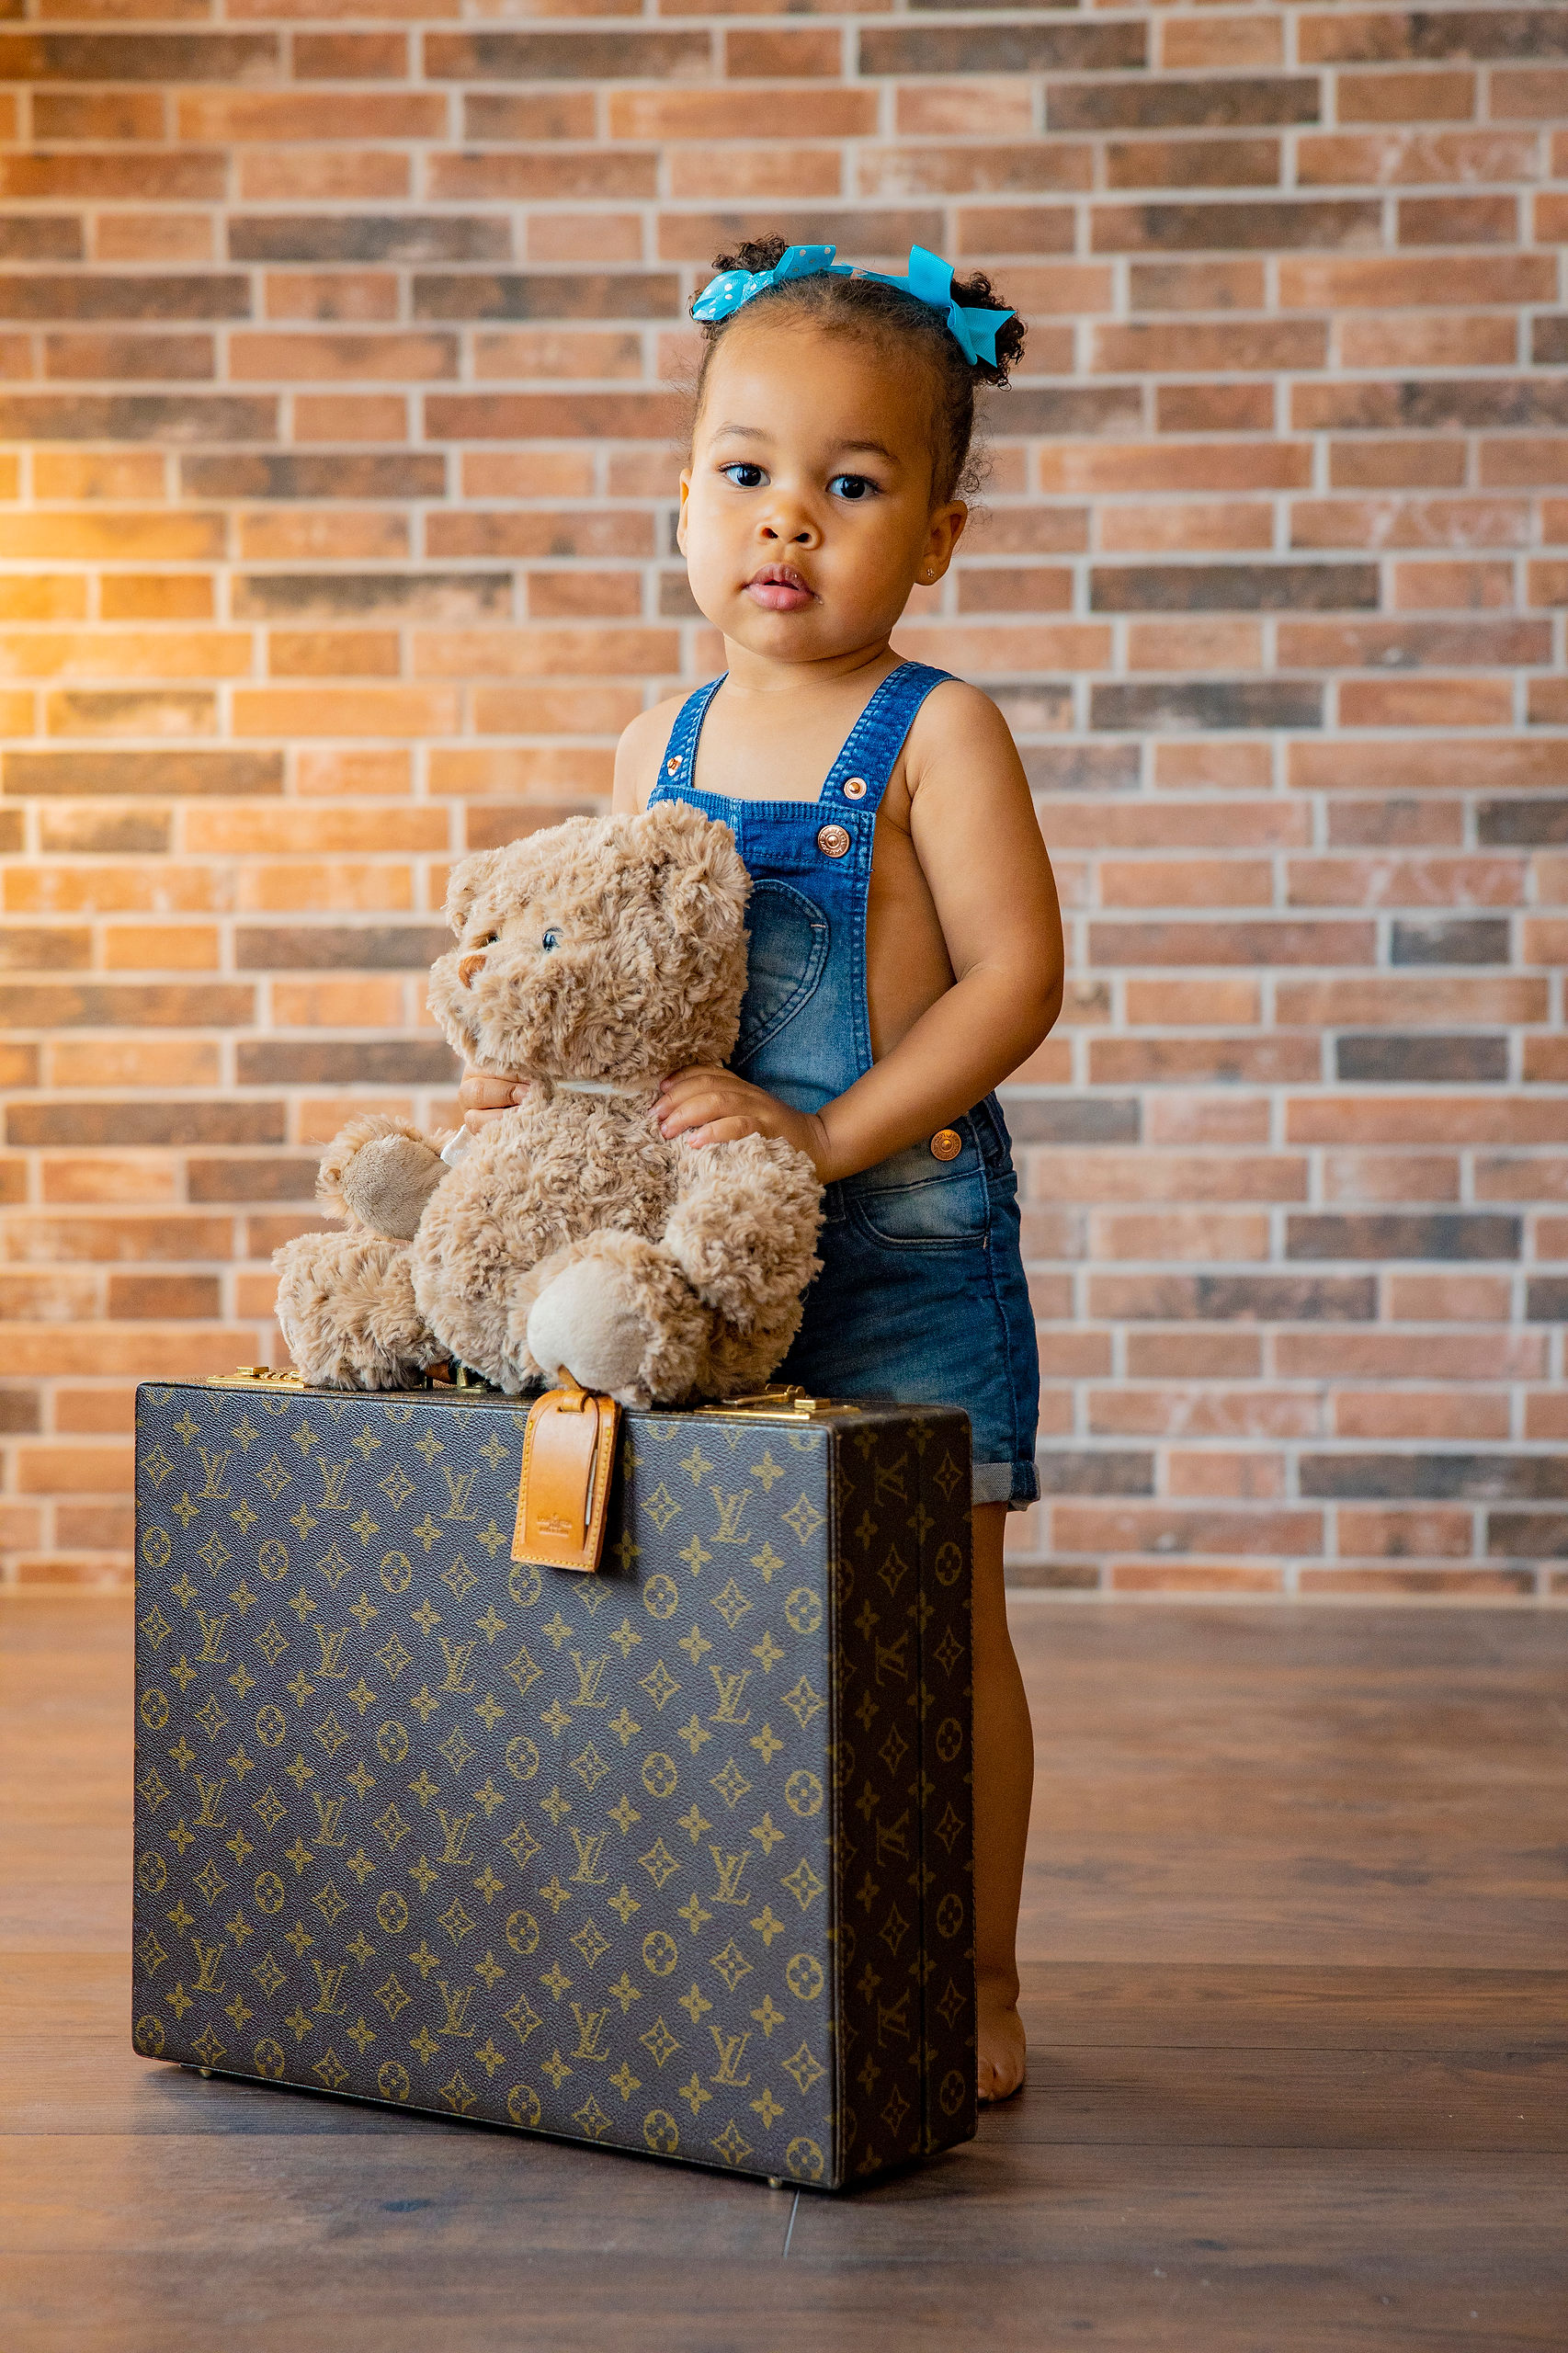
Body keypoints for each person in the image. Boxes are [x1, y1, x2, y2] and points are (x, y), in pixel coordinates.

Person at [459, 238, 1064, 2101]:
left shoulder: (937, 730)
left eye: (850, 485)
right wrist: (527, 1080)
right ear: (683, 500)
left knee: (932, 1623)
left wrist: (822, 1133)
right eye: (744, 471)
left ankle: (973, 1974)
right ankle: (726, 1940)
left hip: (897, 1234)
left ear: (936, 537)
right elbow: (613, 966)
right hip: (701, 1254)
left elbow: (1016, 981)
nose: (786, 517)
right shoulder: (658, 739)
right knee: (713, 1604)